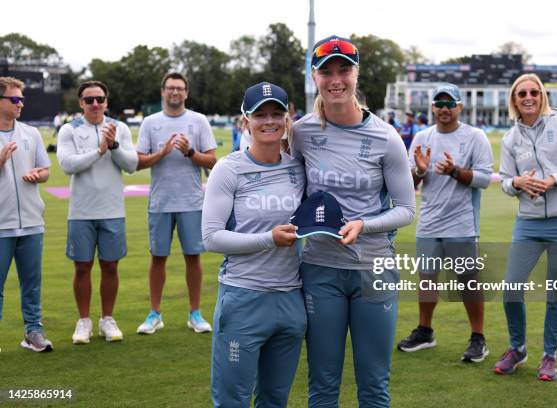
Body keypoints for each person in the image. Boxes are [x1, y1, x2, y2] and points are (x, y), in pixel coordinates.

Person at [291, 35, 416, 407]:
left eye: (343, 70)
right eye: (325, 71)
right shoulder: (301, 132)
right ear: (314, 77)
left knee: (374, 384)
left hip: (373, 267)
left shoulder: (386, 137)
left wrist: (365, 223)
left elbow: (406, 210)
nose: (335, 80)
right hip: (320, 268)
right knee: (323, 384)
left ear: (356, 74)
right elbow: (291, 193)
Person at [202, 82, 306, 407]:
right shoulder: (228, 168)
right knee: (232, 400)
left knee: (275, 400)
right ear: (245, 121)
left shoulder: (298, 169)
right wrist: (268, 239)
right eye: (260, 114)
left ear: (288, 118)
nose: (269, 121)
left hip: (291, 299)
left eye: (277, 113)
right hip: (243, 298)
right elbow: (212, 237)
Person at [495, 73, 557, 381]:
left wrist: (553, 180)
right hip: (528, 223)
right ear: (514, 99)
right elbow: (504, 181)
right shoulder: (510, 139)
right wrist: (517, 182)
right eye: (522, 93)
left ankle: (549, 356)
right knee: (511, 289)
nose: (528, 97)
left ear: (542, 96)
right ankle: (517, 348)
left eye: (534, 92)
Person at [396, 83, 494, 362]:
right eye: (439, 104)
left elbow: (485, 179)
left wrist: (454, 171)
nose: (444, 109)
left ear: (460, 107)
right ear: (433, 108)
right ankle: (425, 331)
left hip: (462, 222)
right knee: (427, 280)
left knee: (468, 281)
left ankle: (478, 338)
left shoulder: (475, 137)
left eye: (450, 104)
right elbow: (409, 183)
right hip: (429, 221)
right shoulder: (422, 138)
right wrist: (420, 170)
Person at [57, 80, 138, 344]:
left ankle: (107, 319)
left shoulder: (120, 128)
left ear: (106, 101)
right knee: (82, 268)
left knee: (110, 266)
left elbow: (131, 164)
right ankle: (84, 322)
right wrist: (99, 151)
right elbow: (68, 165)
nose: (95, 104)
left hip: (112, 209)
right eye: (89, 100)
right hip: (81, 211)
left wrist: (113, 146)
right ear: (80, 103)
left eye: (100, 99)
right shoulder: (69, 130)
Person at [135, 72, 217, 335]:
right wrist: (162, 152)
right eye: (170, 88)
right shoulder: (150, 122)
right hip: (160, 202)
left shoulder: (198, 120)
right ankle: (155, 313)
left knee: (193, 258)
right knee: (158, 257)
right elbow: (139, 161)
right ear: (162, 92)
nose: (175, 93)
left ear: (186, 93)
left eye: (180, 89)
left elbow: (213, 161)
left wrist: (190, 152)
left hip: (191, 201)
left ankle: (195, 313)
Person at [0, 77, 53, 352]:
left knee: (31, 285)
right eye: (15, 99)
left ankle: (33, 332)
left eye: (22, 99)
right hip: (1, 225)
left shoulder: (31, 134)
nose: (20, 103)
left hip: (32, 222)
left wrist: (38, 175)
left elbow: (46, 170)